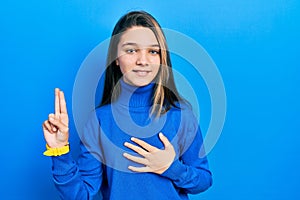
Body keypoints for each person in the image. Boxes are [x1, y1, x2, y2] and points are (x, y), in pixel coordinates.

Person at [42, 11, 212, 200]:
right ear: (116, 58)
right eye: (131, 50)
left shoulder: (180, 115)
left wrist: (172, 168)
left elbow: (204, 180)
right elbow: (81, 195)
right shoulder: (99, 121)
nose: (143, 61)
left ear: (162, 58)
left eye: (153, 51)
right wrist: (59, 151)